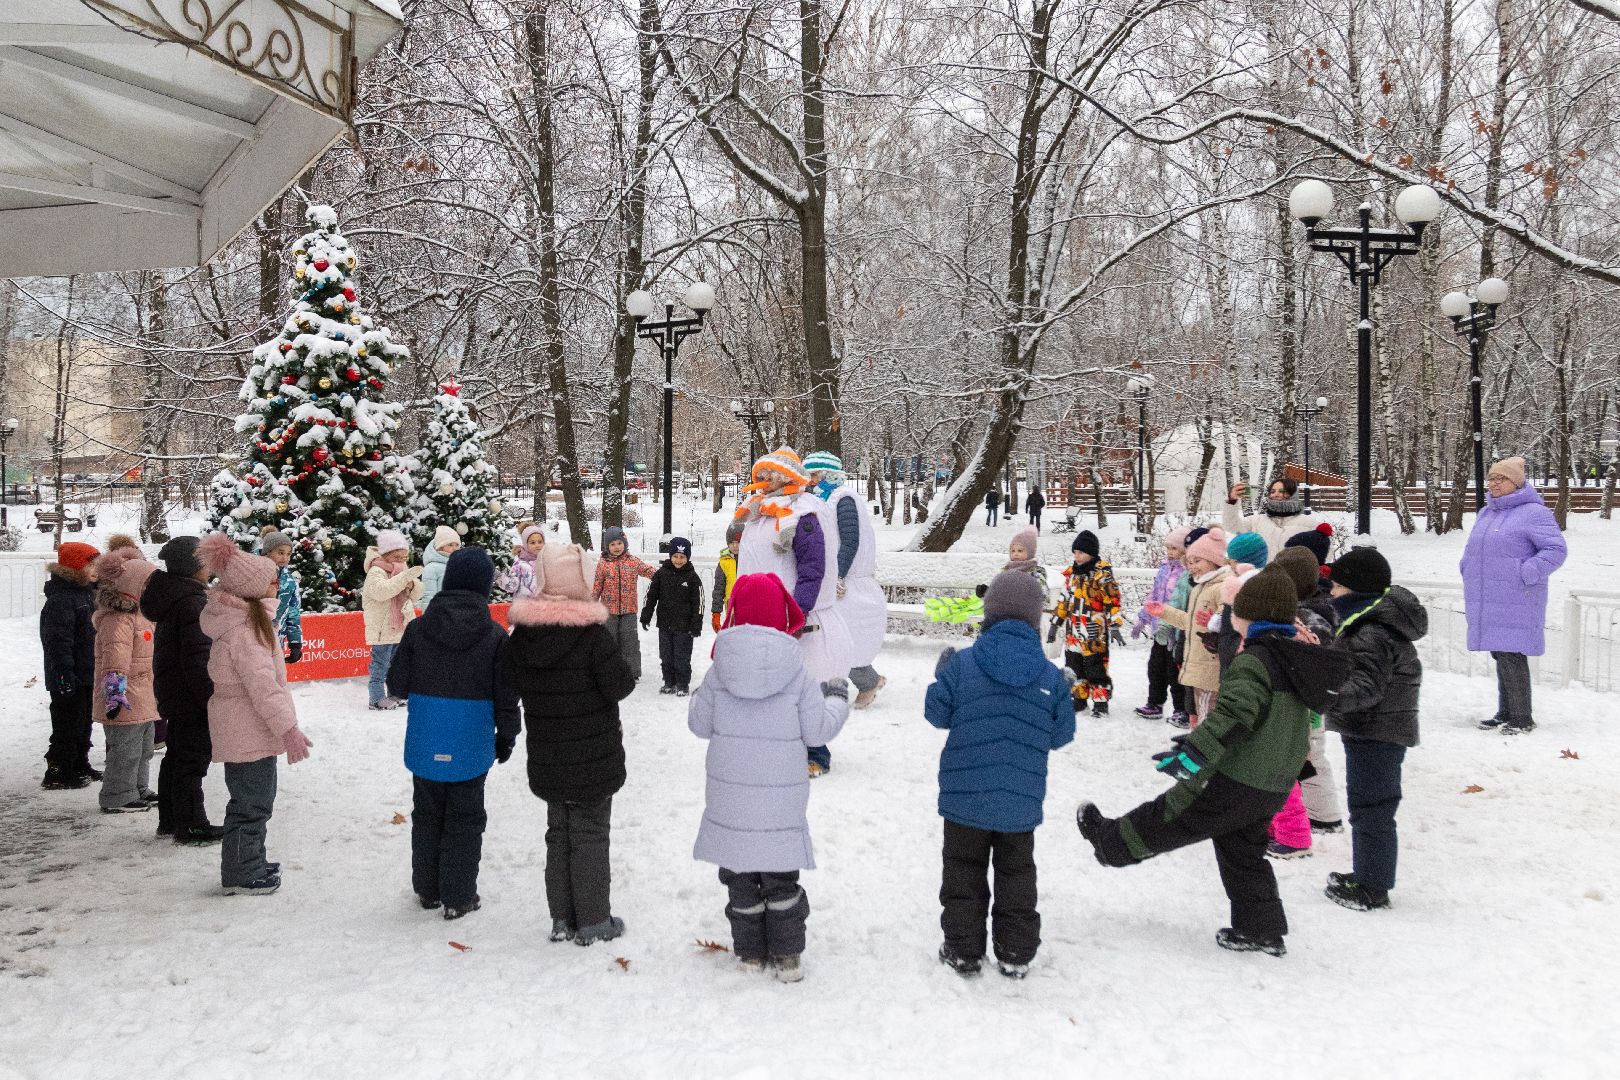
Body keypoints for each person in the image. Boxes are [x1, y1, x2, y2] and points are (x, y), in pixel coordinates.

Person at [1077, 569, 1351, 957]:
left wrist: (1193, 754)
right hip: (1275, 780)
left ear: (1249, 615)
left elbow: (1233, 717)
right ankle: (1261, 929)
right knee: (1242, 849)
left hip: (1239, 774)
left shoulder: (1257, 661)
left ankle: (1110, 844)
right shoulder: (1295, 658)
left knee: (1172, 813)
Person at [688, 573, 850, 983]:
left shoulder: (719, 668)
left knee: (741, 878)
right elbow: (816, 732)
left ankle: (750, 955)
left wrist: (698, 697)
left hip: (730, 801)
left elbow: (698, 724)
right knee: (780, 877)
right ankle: (788, 956)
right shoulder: (797, 670)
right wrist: (836, 698)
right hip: (781, 802)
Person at [927, 571, 1075, 978]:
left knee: (962, 872)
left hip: (964, 798)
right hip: (1019, 800)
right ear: (1034, 619)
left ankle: (962, 950)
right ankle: (1015, 952)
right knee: (1016, 875)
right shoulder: (1048, 676)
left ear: (988, 613)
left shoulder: (963, 664)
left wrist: (942, 676)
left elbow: (936, 714)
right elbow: (1061, 735)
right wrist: (1064, 692)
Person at [508, 543, 635, 945]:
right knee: (591, 832)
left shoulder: (524, 636)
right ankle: (595, 921)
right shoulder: (594, 637)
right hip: (593, 756)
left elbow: (510, 682)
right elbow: (619, 685)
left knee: (558, 832)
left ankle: (562, 919)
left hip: (547, 752)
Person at [388, 547, 521, 921]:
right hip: (471, 741)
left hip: (427, 736)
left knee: (427, 813)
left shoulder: (418, 629)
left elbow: (396, 681)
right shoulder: (495, 636)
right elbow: (506, 694)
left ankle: (427, 889)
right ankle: (459, 896)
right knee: (465, 817)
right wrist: (507, 734)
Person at [197, 533, 313, 897]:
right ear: (251, 587)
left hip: (247, 726)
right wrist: (288, 728)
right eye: (271, 579)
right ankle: (241, 871)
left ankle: (250, 860)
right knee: (251, 803)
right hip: (247, 726)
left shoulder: (251, 620)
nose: (278, 581)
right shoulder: (245, 630)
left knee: (254, 799)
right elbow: (263, 687)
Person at [1324, 546, 1428, 911]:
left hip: (1376, 730)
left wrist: (1325, 696)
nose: (1331, 594)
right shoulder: (1369, 622)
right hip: (1373, 728)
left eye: (1336, 587)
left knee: (1372, 807)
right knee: (1369, 804)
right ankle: (1366, 873)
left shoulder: (1370, 631)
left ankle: (1372, 886)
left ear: (1354, 590)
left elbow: (1367, 688)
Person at [736, 447, 848, 776]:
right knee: (765, 685)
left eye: (768, 476)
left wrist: (797, 611)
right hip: (758, 617)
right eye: (760, 476)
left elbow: (812, 569)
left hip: (791, 617)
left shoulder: (803, 516)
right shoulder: (758, 514)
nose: (762, 482)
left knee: (804, 684)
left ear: (785, 477)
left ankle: (816, 751)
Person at [1459, 456, 1567, 735]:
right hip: (1488, 596)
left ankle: (1521, 717)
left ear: (1516, 483)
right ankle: (1505, 712)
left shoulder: (1534, 512)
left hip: (1518, 597)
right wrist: (1467, 567)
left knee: (1512, 654)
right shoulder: (1487, 512)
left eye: (1500, 479)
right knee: (1500, 652)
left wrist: (1526, 572)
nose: (1493, 483)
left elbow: (1555, 550)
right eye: (1491, 478)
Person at [142, 536, 223, 844]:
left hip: (176, 690)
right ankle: (191, 825)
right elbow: (198, 657)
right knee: (191, 761)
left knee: (177, 756)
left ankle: (172, 819)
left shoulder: (176, 595)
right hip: (190, 695)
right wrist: (209, 698)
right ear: (194, 566)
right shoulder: (192, 602)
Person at [803, 451, 887, 710]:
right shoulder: (825, 498)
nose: (809, 480)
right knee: (832, 640)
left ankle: (868, 682)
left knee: (844, 639)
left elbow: (850, 540)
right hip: (837, 579)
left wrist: (839, 575)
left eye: (813, 475)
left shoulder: (843, 499)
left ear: (827, 475)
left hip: (848, 582)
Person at [1273, 542, 1344, 835]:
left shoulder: (1311, 617)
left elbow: (1313, 661)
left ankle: (1325, 816)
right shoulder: (1309, 609)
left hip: (1308, 702)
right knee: (1302, 755)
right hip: (1303, 699)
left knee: (1311, 756)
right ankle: (1312, 809)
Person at [91, 543, 161, 815]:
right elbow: (114, 659)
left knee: (144, 748)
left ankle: (137, 787)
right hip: (123, 696)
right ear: (132, 586)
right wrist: (114, 693)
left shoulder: (140, 615)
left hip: (142, 694)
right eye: (146, 585)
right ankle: (117, 794)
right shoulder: (118, 619)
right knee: (125, 750)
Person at [1144, 528, 1230, 728]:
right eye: (1189, 562)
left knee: (1209, 722)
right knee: (1200, 718)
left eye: (1197, 561)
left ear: (1213, 560)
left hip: (1211, 670)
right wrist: (1164, 611)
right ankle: (1198, 754)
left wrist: (1218, 621)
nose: (1191, 567)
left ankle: (1203, 757)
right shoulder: (1200, 587)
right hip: (1198, 669)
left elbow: (1229, 625)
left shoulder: (1223, 587)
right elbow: (1191, 622)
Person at [40, 541, 100, 790]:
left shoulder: (87, 593)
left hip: (86, 671)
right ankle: (58, 769)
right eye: (91, 564)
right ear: (76, 567)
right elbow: (57, 641)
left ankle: (79, 762)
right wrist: (64, 672)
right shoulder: (62, 599)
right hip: (66, 673)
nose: (96, 569)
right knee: (67, 722)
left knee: (84, 720)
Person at [1054, 531, 1122, 715]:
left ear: (1092, 553)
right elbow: (1063, 601)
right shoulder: (1072, 576)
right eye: (1075, 552)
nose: (1077, 556)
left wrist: (1114, 624)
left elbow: (1112, 601)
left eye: (1081, 553)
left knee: (1095, 668)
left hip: (1094, 632)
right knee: (1074, 668)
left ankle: (1100, 703)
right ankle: (1079, 699)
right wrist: (1055, 623)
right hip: (1073, 633)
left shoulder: (1102, 576)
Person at [1132, 526, 1191, 720]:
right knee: (1155, 667)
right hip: (1159, 629)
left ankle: (1181, 708)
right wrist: (1143, 617)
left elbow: (1183, 601)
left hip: (1177, 631)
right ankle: (1154, 703)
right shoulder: (1165, 568)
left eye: (1174, 548)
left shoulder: (1187, 573)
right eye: (1168, 548)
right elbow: (1155, 595)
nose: (1170, 552)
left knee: (1175, 671)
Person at [361, 529, 423, 710]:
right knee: (380, 665)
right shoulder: (376, 571)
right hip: (383, 627)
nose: (402, 562)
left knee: (396, 665)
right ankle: (376, 698)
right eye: (397, 557)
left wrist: (412, 584)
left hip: (400, 627)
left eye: (404, 558)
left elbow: (416, 595)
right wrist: (405, 578)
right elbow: (382, 592)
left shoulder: (401, 572)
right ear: (386, 555)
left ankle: (395, 693)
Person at [593, 525, 656, 684]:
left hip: (629, 610)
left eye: (619, 543)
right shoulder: (603, 564)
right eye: (612, 544)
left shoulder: (632, 561)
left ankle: (631, 672)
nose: (616, 547)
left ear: (625, 544)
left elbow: (648, 571)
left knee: (630, 642)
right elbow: (597, 586)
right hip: (608, 611)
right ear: (607, 546)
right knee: (609, 642)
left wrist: (664, 575)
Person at [641, 535, 703, 696]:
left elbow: (699, 603)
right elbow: (651, 595)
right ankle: (669, 682)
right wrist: (646, 615)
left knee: (681, 657)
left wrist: (696, 624)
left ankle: (682, 684)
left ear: (687, 558)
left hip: (684, 627)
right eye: (675, 556)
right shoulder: (661, 574)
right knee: (666, 656)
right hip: (665, 624)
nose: (678, 560)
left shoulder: (692, 577)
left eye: (682, 557)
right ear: (670, 556)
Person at [1222, 478, 1318, 560]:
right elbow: (1231, 526)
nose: (1275, 494)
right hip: (1263, 578)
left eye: (1282, 491)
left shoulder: (1309, 524)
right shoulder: (1256, 521)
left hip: (1294, 580)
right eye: (1272, 491)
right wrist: (1232, 501)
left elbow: (1322, 554)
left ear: (1293, 495)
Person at [259, 531, 303, 664]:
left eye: (288, 554)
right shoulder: (253, 574)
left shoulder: (290, 582)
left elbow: (293, 614)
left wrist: (295, 644)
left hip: (276, 642)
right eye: (280, 552)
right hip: (252, 641)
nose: (285, 558)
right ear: (267, 551)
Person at [495, 525, 546, 601]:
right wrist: (499, 577)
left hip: (545, 606)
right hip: (524, 607)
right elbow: (512, 586)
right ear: (525, 544)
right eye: (532, 543)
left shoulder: (547, 562)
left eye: (540, 542)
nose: (537, 545)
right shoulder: (520, 565)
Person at [710, 519, 743, 633]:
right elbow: (719, 588)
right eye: (731, 542)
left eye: (738, 542)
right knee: (733, 631)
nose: (735, 546)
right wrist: (716, 612)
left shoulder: (750, 559)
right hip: (731, 603)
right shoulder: (724, 562)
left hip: (748, 601)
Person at [419, 525, 462, 607]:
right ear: (440, 546)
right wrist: (429, 618)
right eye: (450, 545)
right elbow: (428, 597)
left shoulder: (459, 566)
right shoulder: (431, 568)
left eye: (457, 545)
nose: (454, 548)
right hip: (440, 614)